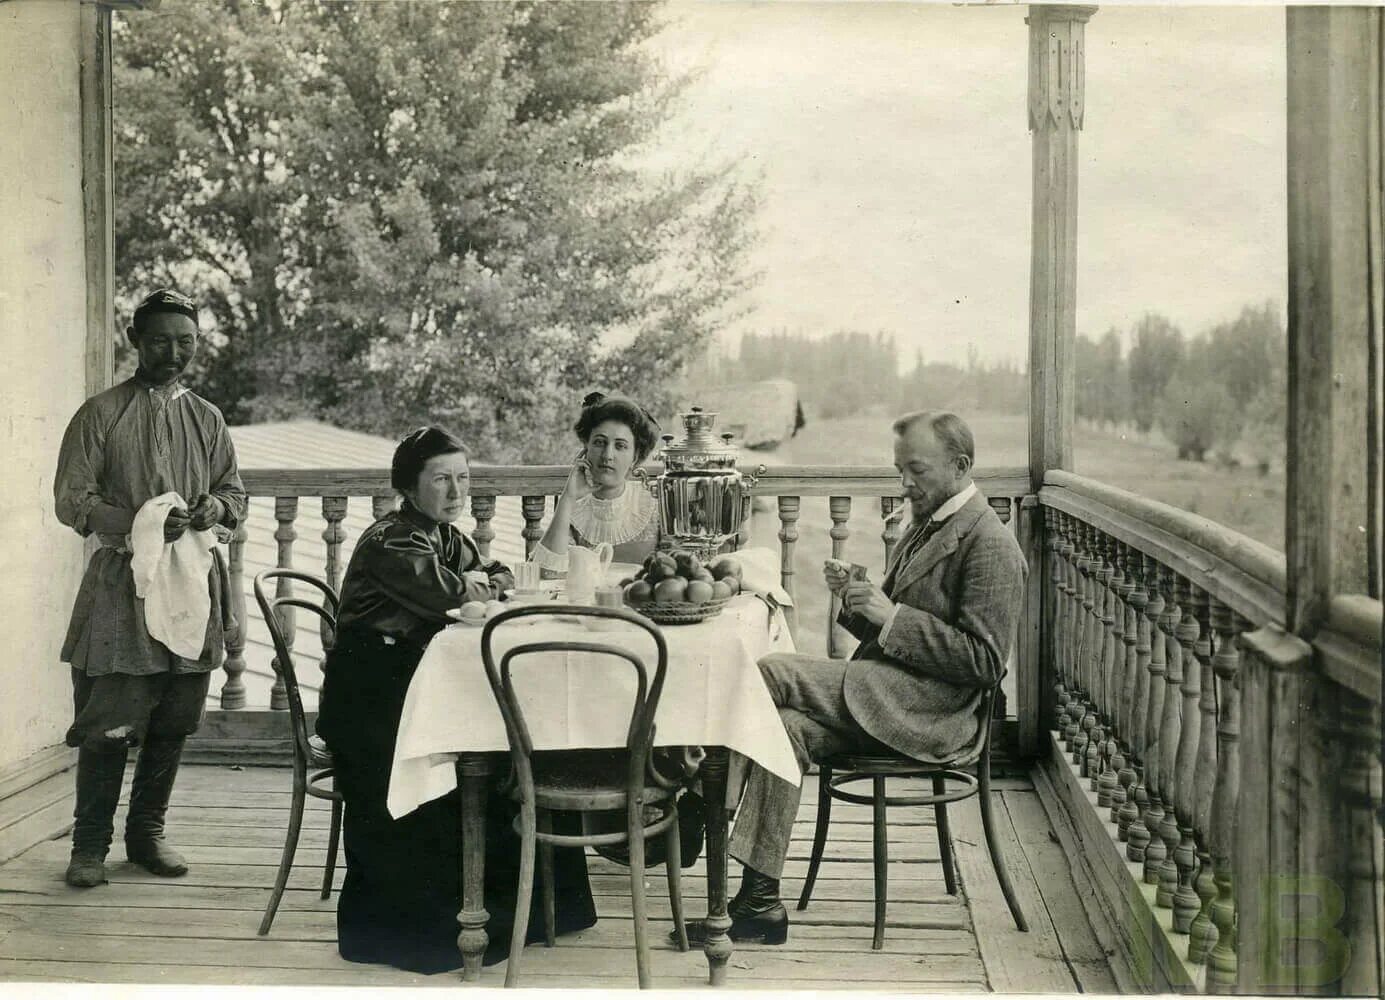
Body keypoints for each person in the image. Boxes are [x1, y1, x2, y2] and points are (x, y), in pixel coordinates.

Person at [684, 410, 1027, 945]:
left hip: (934, 713)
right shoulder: (929, 519)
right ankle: (759, 901)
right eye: (899, 470)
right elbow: (893, 617)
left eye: (916, 470)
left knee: (773, 672)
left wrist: (890, 615)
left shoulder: (991, 545)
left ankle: (693, 805)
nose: (904, 484)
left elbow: (984, 662)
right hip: (889, 693)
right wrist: (856, 596)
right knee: (787, 730)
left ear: (960, 466)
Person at [314, 426, 597, 974]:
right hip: (370, 695)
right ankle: (420, 932)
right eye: (441, 479)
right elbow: (451, 594)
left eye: (462, 478)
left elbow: (495, 574)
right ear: (410, 487)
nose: (455, 490)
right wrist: (475, 581)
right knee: (466, 764)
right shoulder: (392, 539)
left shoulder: (444, 534)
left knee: (502, 754)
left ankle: (523, 916)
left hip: (411, 682)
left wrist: (479, 577)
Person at [53, 288, 247, 889]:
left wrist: (213, 506)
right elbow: (71, 502)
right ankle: (89, 847)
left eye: (185, 341)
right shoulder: (101, 413)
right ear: (135, 341)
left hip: (192, 582)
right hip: (122, 586)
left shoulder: (207, 418)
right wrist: (141, 520)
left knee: (173, 715)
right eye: (160, 340)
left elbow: (235, 496)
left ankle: (146, 835)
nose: (173, 352)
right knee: (110, 717)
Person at [531, 390, 663, 573]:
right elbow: (545, 573)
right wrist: (568, 498)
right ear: (586, 448)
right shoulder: (573, 505)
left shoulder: (654, 504)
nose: (608, 456)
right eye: (600, 443)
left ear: (635, 457)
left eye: (620, 446)